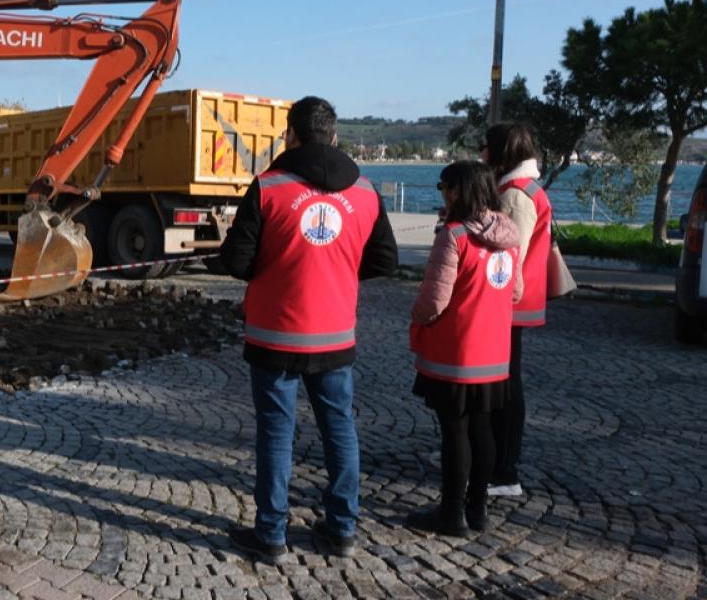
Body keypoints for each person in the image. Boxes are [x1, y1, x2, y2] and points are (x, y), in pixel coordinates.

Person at [219, 96, 398, 562]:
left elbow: (236, 261)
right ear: (334, 137)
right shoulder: (364, 191)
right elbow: (386, 260)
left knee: (276, 433)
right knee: (340, 428)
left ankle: (271, 535)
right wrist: (337, 272)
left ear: (290, 136)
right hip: (336, 334)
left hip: (274, 333)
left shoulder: (269, 187)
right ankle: (341, 529)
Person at [406, 161, 521, 537]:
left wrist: (417, 317)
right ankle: (478, 509)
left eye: (443, 186)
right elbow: (516, 291)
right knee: (483, 429)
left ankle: (451, 513)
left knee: (455, 430)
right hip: (494, 351)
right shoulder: (510, 236)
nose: (442, 193)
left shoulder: (454, 235)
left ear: (456, 191)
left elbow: (434, 301)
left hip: (456, 351)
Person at [482, 123, 552, 498]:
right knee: (506, 383)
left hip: (510, 305)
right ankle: (495, 462)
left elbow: (509, 253)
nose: (481, 153)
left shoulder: (515, 195)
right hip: (520, 303)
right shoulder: (527, 188)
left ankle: (502, 470)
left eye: (486, 147)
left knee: (505, 387)